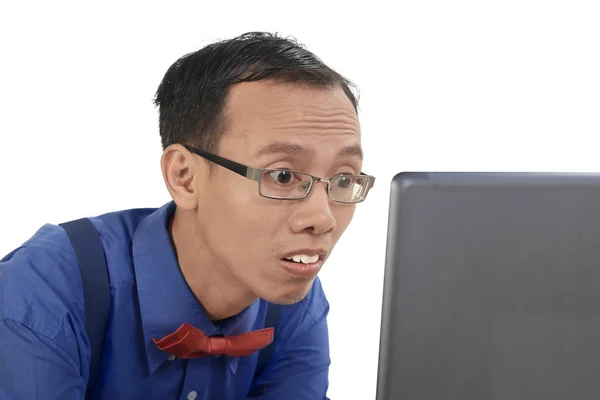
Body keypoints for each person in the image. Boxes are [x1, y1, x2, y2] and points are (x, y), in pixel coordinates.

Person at [0, 32, 375, 399]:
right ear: (184, 177)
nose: (323, 219)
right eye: (282, 176)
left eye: (343, 179)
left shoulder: (291, 301)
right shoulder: (43, 293)